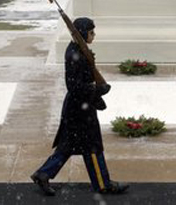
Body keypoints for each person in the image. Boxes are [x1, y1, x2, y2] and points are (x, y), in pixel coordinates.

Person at [31, 17, 129, 196]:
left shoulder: (78, 50)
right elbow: (74, 86)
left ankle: (43, 174)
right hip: (79, 109)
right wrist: (96, 90)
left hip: (79, 107)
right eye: (91, 32)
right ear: (82, 33)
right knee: (92, 146)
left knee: (69, 145)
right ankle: (103, 183)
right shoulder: (74, 54)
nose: (94, 35)